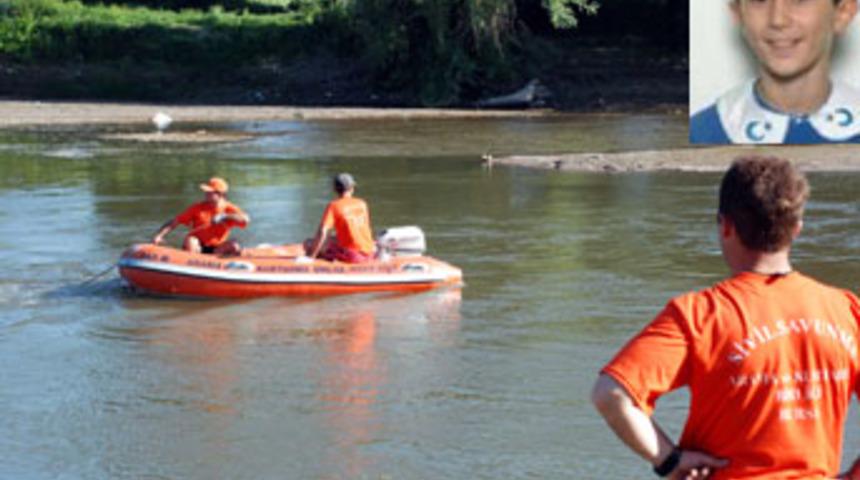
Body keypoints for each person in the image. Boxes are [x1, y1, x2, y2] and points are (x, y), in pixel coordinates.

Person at [591, 156, 860, 479]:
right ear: (796, 230)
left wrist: (668, 459)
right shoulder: (845, 310)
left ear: (726, 226)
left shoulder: (698, 315)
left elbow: (611, 394)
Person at [690, 0, 860, 144]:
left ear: (842, 13)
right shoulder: (703, 134)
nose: (777, 20)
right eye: (759, 0)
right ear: (738, 14)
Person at [152, 177, 250, 255]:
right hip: (198, 246)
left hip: (217, 249)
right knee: (191, 240)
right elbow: (175, 222)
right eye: (206, 192)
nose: (206, 194)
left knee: (234, 245)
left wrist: (224, 216)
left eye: (210, 192)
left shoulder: (229, 208)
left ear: (220, 195)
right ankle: (190, 266)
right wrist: (159, 235)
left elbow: (245, 219)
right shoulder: (197, 207)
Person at [305, 173, 375, 263]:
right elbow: (365, 228)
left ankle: (321, 258)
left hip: (353, 256)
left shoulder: (334, 206)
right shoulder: (362, 204)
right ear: (352, 188)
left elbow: (322, 232)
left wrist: (311, 257)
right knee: (333, 239)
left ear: (335, 189)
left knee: (308, 243)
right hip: (370, 253)